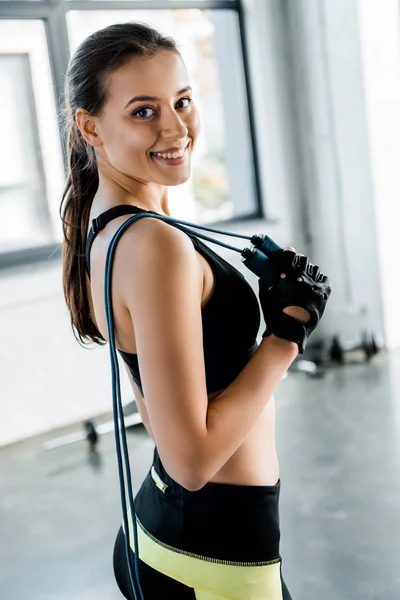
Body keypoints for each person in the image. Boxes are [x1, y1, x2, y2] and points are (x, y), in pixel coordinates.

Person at [60, 22, 330, 600]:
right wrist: (286, 335)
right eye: (143, 111)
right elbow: (192, 460)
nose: (176, 127)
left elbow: (161, 417)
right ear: (91, 126)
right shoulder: (154, 246)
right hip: (213, 561)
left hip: (177, 539)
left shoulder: (111, 230)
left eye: (182, 100)